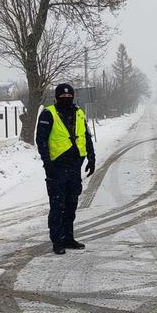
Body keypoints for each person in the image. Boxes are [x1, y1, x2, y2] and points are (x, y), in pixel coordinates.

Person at [35, 83, 95, 255]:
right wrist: (48, 164)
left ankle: (68, 237)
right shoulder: (48, 114)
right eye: (63, 97)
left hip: (75, 165)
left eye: (69, 97)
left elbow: (86, 136)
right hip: (57, 166)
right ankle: (57, 240)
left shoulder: (79, 113)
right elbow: (42, 141)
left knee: (71, 204)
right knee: (57, 205)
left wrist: (91, 157)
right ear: (56, 97)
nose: (66, 99)